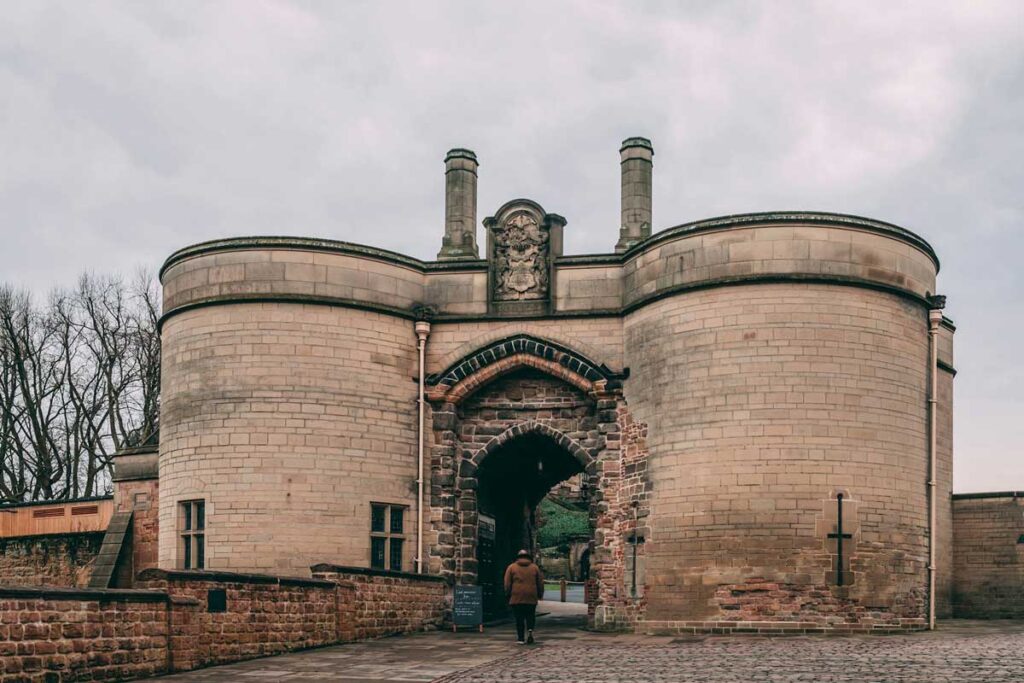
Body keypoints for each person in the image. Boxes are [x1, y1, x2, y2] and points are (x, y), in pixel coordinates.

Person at [503, 548, 544, 644]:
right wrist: (540, 594)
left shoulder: (512, 567)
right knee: (530, 615)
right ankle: (530, 631)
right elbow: (540, 582)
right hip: (531, 596)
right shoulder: (534, 568)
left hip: (517, 596)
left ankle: (520, 638)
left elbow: (507, 583)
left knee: (519, 617)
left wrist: (507, 593)